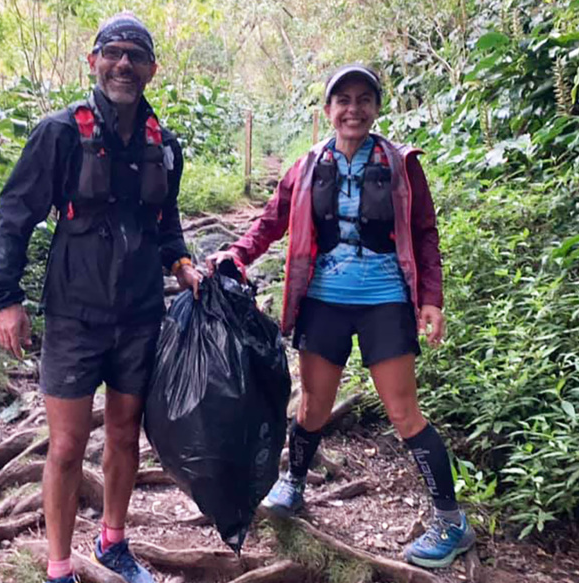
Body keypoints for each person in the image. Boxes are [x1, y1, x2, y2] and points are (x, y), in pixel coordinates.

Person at [207, 64, 475, 569]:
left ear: (376, 107)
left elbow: (424, 233)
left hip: (385, 302)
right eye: (343, 100)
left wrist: (432, 299)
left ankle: (452, 521)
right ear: (328, 110)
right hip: (322, 300)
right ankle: (294, 484)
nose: (353, 109)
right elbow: (272, 219)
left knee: (403, 413)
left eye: (363, 99)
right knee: (311, 407)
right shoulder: (309, 164)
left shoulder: (401, 163)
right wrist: (237, 255)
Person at [0, 13, 201, 583]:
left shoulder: (164, 145)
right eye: (113, 52)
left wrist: (182, 264)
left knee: (127, 431)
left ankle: (112, 542)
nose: (124, 64)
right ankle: (59, 567)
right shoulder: (60, 133)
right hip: (74, 317)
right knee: (66, 445)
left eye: (136, 55)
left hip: (139, 315)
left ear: (153, 70)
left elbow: (166, 223)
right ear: (94, 62)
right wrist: (6, 299)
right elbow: (15, 215)